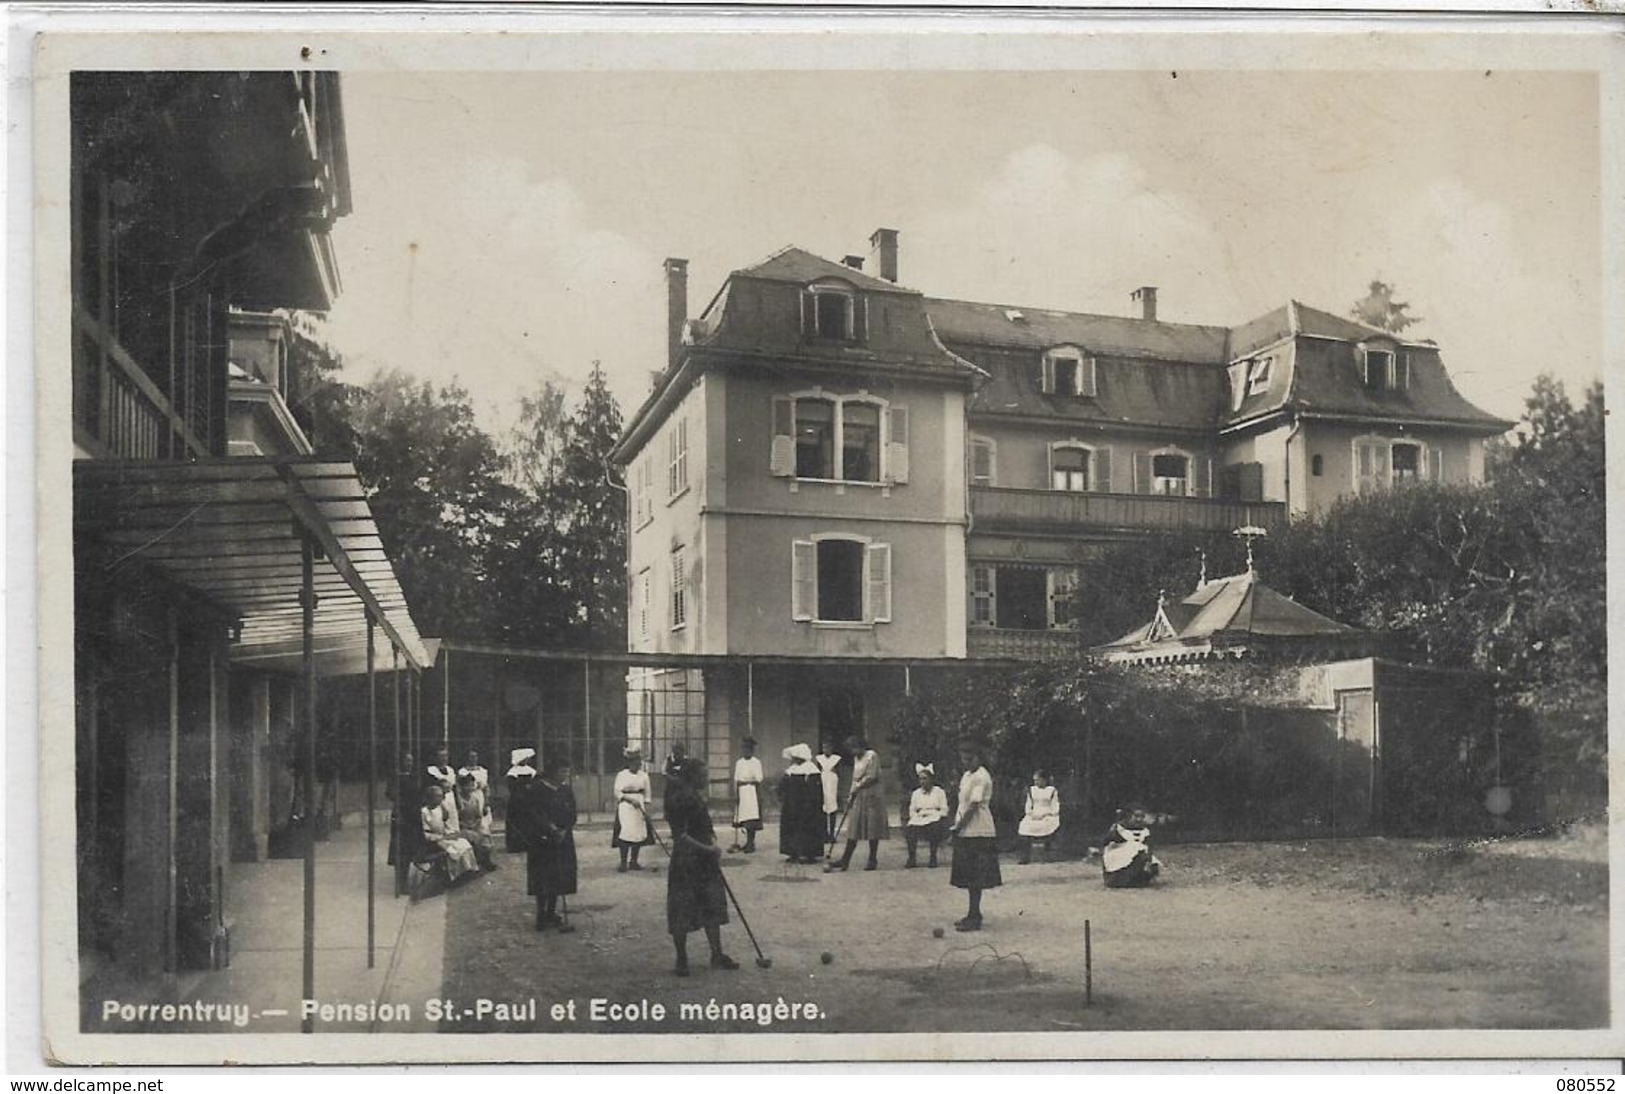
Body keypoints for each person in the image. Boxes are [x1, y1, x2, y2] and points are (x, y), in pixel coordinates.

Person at [663, 756, 738, 976]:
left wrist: (712, 843)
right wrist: (708, 849)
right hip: (686, 861)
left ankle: (716, 954)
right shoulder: (679, 799)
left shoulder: (694, 795)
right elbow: (681, 836)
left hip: (705, 861)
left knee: (712, 905)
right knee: (682, 909)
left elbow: (705, 827)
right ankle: (681, 960)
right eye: (702, 776)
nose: (706, 779)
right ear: (691, 776)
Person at [948, 741, 1002, 931]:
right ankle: (972, 913)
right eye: (963, 759)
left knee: (975, 877)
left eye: (969, 758)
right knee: (968, 876)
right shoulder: (967, 775)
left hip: (978, 830)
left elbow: (973, 806)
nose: (966, 762)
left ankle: (975, 917)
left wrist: (957, 827)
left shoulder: (982, 777)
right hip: (966, 831)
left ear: (978, 757)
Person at [526, 755, 579, 933]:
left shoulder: (566, 790)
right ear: (553, 772)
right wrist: (551, 829)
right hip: (542, 841)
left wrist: (564, 829)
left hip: (563, 840)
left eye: (567, 771)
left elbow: (572, 813)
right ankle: (541, 915)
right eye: (562, 771)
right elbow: (534, 813)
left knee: (559, 875)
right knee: (543, 877)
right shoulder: (537, 789)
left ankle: (551, 912)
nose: (565, 774)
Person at [826, 734, 889, 872]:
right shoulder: (856, 758)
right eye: (850, 749)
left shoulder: (872, 755)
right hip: (859, 796)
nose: (852, 752)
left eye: (853, 748)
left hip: (872, 795)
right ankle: (845, 860)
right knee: (853, 827)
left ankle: (872, 859)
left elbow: (872, 776)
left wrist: (858, 787)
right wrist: (850, 795)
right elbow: (855, 778)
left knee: (872, 827)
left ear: (860, 746)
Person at [420, 785, 479, 886]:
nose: (441, 798)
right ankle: (453, 877)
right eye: (437, 796)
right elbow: (424, 832)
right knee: (453, 850)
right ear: (430, 797)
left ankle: (466, 872)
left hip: (443, 835)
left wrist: (450, 834)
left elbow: (444, 823)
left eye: (441, 796)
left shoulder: (439, 808)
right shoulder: (423, 812)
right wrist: (439, 837)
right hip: (433, 841)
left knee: (464, 844)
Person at [777, 743, 825, 864]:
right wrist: (780, 793)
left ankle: (809, 854)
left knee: (808, 828)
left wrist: (811, 803)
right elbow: (784, 784)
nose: (793, 759)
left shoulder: (811, 770)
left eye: (795, 757)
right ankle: (793, 852)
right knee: (791, 827)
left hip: (807, 805)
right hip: (791, 804)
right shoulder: (791, 770)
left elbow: (815, 790)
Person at [612, 744, 654, 872]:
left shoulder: (644, 776)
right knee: (626, 833)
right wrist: (629, 799)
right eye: (635, 761)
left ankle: (634, 861)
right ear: (629, 762)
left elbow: (648, 795)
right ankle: (623, 862)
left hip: (639, 806)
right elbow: (617, 792)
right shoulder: (622, 775)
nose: (637, 764)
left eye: (638, 761)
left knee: (638, 834)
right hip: (626, 807)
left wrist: (647, 811)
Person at [1101, 805, 1162, 889]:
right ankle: (1117, 880)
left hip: (1135, 856)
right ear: (1129, 816)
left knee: (1146, 857)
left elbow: (1149, 846)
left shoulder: (1145, 831)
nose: (1139, 819)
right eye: (1136, 816)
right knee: (1136, 849)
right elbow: (1105, 843)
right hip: (1117, 856)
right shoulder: (1119, 829)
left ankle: (1135, 879)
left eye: (1142, 817)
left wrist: (1149, 860)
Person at [904, 763, 950, 869]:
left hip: (934, 817)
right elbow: (912, 809)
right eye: (920, 779)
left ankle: (933, 857)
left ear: (931, 779)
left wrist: (935, 816)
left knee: (934, 827)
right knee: (910, 829)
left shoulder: (939, 792)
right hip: (919, 818)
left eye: (925, 778)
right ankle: (912, 858)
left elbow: (944, 809)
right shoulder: (916, 793)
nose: (922, 781)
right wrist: (916, 817)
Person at [454, 770, 497, 872]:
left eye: (471, 785)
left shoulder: (475, 799)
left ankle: (485, 861)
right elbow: (456, 818)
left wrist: (475, 825)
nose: (469, 788)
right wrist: (465, 825)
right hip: (462, 826)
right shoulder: (458, 800)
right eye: (466, 786)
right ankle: (475, 864)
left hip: (474, 824)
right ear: (461, 787)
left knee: (484, 835)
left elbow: (478, 816)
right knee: (472, 836)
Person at [1017, 769, 1061, 864]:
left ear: (1044, 780)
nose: (1036, 782)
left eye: (1038, 780)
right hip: (1034, 814)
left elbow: (1055, 805)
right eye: (1035, 780)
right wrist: (1030, 813)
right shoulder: (1032, 790)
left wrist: (1047, 813)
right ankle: (1024, 857)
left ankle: (1047, 855)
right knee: (1024, 826)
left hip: (1047, 814)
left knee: (1048, 826)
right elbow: (1029, 804)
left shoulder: (1051, 790)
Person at [731, 737, 765, 853]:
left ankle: (751, 842)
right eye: (744, 749)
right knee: (743, 817)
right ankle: (746, 842)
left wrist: (750, 780)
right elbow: (736, 778)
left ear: (752, 750)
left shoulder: (756, 762)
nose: (746, 751)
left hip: (751, 791)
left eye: (748, 749)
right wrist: (735, 793)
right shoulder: (739, 762)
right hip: (741, 791)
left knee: (751, 817)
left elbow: (759, 778)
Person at [503, 747, 537, 853]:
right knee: (516, 823)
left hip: (529, 800)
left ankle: (527, 844)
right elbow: (512, 787)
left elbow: (535, 784)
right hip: (517, 801)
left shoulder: (531, 770)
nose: (527, 760)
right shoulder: (512, 772)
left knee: (528, 823)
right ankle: (515, 845)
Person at [814, 740, 843, 843]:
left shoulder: (836, 759)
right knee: (823, 807)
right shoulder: (819, 759)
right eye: (824, 748)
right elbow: (817, 772)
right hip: (823, 783)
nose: (826, 750)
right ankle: (824, 833)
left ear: (832, 748)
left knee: (832, 808)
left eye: (828, 748)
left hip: (832, 783)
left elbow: (839, 773)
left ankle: (832, 834)